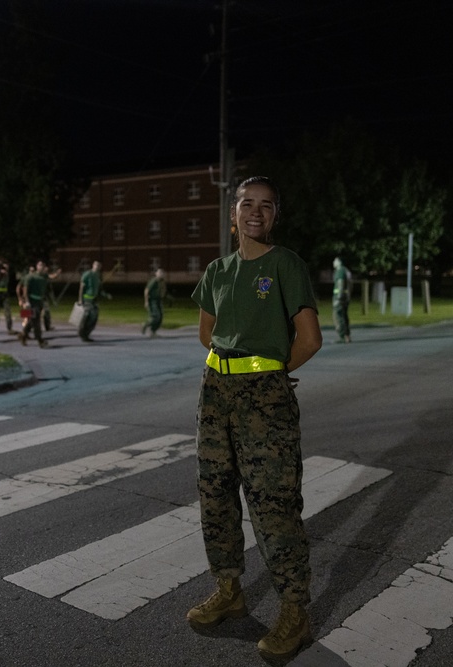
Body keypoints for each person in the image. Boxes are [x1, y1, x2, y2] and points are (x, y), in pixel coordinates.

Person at [187, 176, 322, 661]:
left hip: (264, 396)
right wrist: (230, 365)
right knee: (215, 492)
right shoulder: (218, 271)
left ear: (275, 215)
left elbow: (309, 339)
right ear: (233, 214)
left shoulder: (285, 264)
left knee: (273, 502)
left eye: (266, 205)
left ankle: (294, 611)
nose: (256, 213)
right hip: (215, 392)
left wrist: (266, 371)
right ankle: (229, 590)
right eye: (247, 204)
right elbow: (208, 333)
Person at [77, 260, 110, 342]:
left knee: (94, 318)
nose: (97, 266)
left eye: (99, 265)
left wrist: (105, 295)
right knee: (88, 316)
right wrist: (80, 299)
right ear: (93, 265)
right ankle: (82, 332)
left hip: (94, 299)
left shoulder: (98, 275)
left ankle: (86, 334)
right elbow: (81, 287)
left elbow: (99, 289)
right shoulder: (87, 274)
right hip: (87, 299)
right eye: (96, 265)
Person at [20, 261, 50, 348]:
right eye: (40, 265)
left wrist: (57, 273)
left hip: (39, 301)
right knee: (36, 321)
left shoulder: (44, 276)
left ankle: (23, 334)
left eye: (43, 265)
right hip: (32, 302)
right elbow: (24, 289)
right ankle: (40, 340)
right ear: (36, 266)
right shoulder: (30, 277)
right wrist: (26, 301)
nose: (41, 267)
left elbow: (51, 277)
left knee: (32, 320)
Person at [331, 256, 352, 343]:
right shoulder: (346, 270)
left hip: (340, 297)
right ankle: (347, 336)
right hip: (345, 297)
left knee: (338, 316)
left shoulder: (340, 271)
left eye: (335, 260)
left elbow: (340, 284)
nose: (333, 262)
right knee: (344, 316)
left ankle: (342, 336)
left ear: (339, 262)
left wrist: (338, 298)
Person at [142, 268, 166, 337]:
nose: (161, 274)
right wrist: (146, 302)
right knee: (156, 316)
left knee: (160, 317)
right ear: (156, 274)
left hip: (158, 300)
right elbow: (146, 291)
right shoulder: (154, 281)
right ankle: (145, 324)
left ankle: (153, 331)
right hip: (152, 300)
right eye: (159, 273)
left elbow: (163, 291)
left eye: (162, 273)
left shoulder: (161, 281)